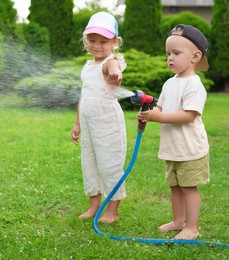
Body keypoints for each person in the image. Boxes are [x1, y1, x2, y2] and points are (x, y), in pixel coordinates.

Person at [137, 24, 210, 240]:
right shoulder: (170, 83)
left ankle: (192, 227)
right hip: (172, 148)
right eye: (168, 53)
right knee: (175, 187)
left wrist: (159, 117)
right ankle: (178, 221)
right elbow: (161, 108)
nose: (170, 58)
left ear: (195, 56)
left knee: (188, 188)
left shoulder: (194, 85)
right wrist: (150, 113)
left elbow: (189, 115)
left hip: (190, 148)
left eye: (176, 53)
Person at [71, 12, 132, 224]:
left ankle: (112, 211)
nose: (96, 45)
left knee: (109, 164)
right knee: (90, 163)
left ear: (115, 42)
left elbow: (113, 67)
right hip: (88, 123)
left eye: (103, 41)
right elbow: (84, 95)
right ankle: (93, 206)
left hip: (107, 124)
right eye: (92, 40)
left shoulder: (110, 61)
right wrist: (77, 123)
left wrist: (116, 74)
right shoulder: (87, 66)